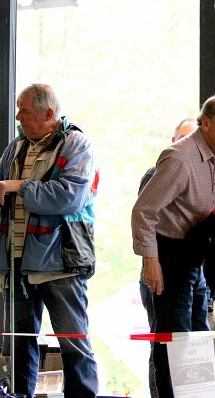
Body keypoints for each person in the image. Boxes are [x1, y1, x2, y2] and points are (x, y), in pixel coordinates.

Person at [131, 95, 215, 398]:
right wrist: (150, 261)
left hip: (197, 252)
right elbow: (143, 212)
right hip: (169, 253)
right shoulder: (179, 158)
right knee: (174, 341)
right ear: (205, 124)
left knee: (198, 340)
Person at [0, 84, 99, 397]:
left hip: (61, 262)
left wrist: (19, 186)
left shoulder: (77, 145)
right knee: (18, 345)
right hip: (17, 263)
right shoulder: (15, 148)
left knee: (73, 343)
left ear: (48, 113)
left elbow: (70, 197)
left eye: (24, 111)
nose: (18, 117)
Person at [137, 117, 197, 398]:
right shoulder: (157, 174)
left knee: (194, 345)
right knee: (164, 343)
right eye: (183, 140)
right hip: (159, 272)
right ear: (173, 142)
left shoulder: (207, 171)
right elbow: (146, 220)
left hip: (193, 273)